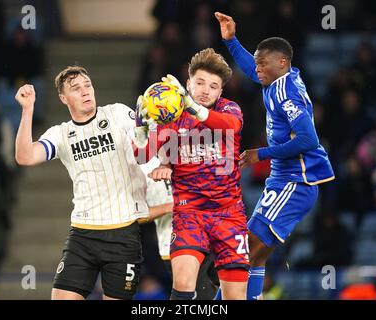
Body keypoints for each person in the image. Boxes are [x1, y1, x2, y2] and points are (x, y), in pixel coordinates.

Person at [215, 12, 335, 300]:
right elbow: (249, 66)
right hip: (284, 180)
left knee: (243, 250)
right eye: (256, 63)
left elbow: (309, 139)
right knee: (254, 256)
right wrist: (231, 42)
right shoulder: (278, 80)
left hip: (296, 182)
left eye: (261, 63)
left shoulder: (286, 92)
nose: (256, 69)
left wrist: (262, 154)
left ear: (281, 63)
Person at [14, 66, 149, 300]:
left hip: (123, 234)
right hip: (83, 235)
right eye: (76, 88)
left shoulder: (117, 113)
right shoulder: (61, 134)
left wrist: (146, 129)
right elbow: (25, 156)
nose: (85, 91)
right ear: (63, 98)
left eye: (88, 85)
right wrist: (28, 110)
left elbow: (146, 153)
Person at [135, 48, 249, 300]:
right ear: (188, 83)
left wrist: (192, 106)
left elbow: (229, 127)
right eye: (199, 83)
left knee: (235, 297)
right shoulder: (172, 118)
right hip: (190, 215)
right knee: (184, 285)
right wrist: (141, 127)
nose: (205, 90)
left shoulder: (230, 111)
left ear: (221, 91)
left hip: (228, 216)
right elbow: (142, 155)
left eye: (213, 85)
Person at [140, 156, 219, 299]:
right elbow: (131, 215)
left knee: (238, 291)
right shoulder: (142, 166)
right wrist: (171, 206)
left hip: (212, 239)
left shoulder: (189, 151)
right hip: (177, 247)